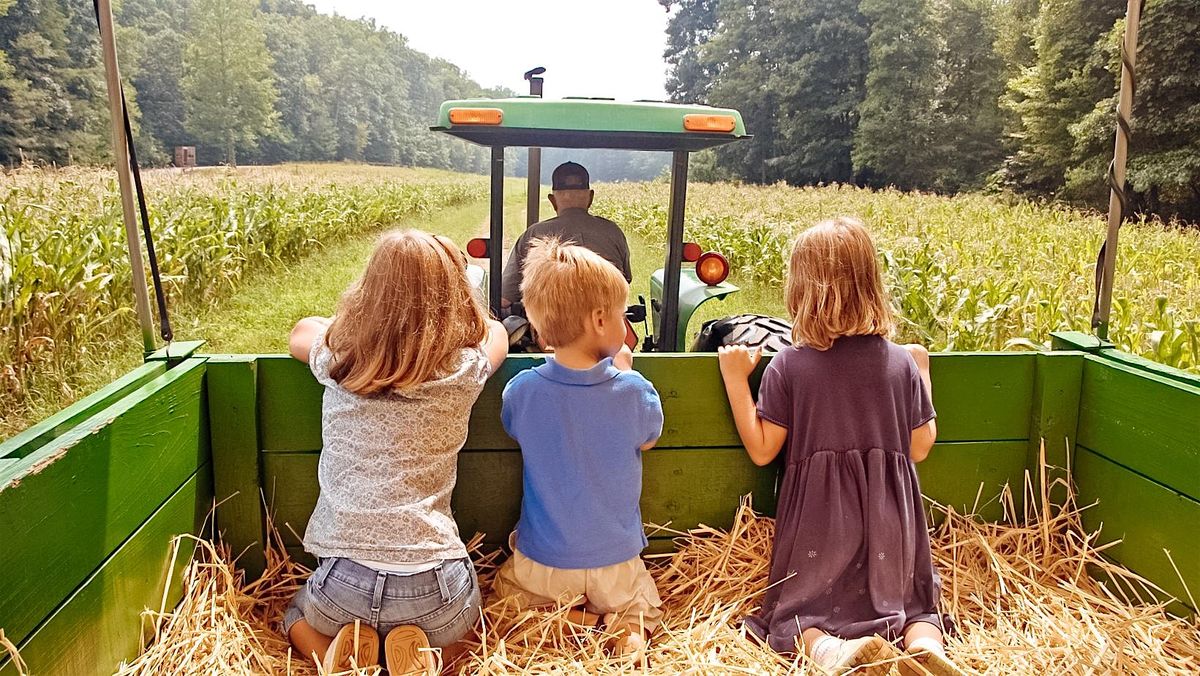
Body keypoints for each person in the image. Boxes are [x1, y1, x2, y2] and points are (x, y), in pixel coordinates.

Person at [716, 217, 962, 676]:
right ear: (871, 285)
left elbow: (763, 449)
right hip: (892, 520)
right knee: (911, 604)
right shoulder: (898, 364)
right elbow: (921, 446)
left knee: (798, 608)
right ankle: (926, 646)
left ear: (802, 291)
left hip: (820, 521)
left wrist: (735, 380)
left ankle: (827, 651)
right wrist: (923, 370)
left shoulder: (790, 365)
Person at [284, 230, 508, 674]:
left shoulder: (339, 358)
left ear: (369, 292)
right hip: (434, 587)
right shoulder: (462, 369)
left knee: (294, 614)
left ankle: (337, 655)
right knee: (471, 633)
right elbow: (496, 332)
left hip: (342, 584)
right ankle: (424, 658)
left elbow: (301, 331)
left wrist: (361, 327)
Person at [493, 238, 663, 665]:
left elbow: (516, 426)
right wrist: (625, 372)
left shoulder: (523, 391)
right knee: (639, 608)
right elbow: (649, 438)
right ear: (601, 320)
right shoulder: (634, 392)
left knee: (507, 601)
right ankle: (626, 632)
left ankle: (574, 622)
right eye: (623, 315)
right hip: (616, 562)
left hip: (545, 563)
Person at [500, 162, 632, 310]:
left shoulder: (534, 234)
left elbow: (505, 298)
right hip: (606, 323)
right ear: (591, 197)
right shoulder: (612, 231)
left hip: (550, 326)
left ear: (552, 200)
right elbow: (625, 280)